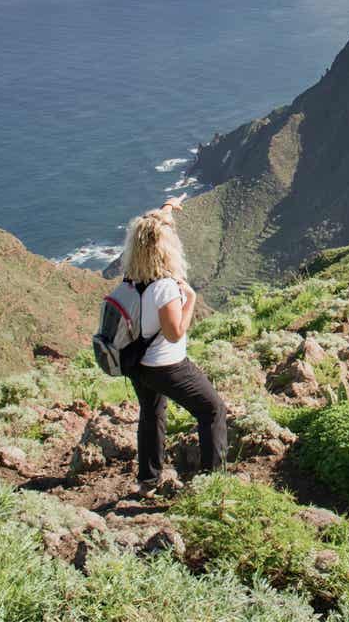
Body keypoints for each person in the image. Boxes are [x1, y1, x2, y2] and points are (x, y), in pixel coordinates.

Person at [120, 193, 227, 497]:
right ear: (166, 249)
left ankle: (148, 481)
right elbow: (175, 332)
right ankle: (212, 485)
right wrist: (190, 299)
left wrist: (167, 208)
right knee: (212, 410)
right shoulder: (165, 287)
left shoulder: (131, 278)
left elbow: (151, 230)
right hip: (166, 366)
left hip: (137, 364)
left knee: (151, 414)